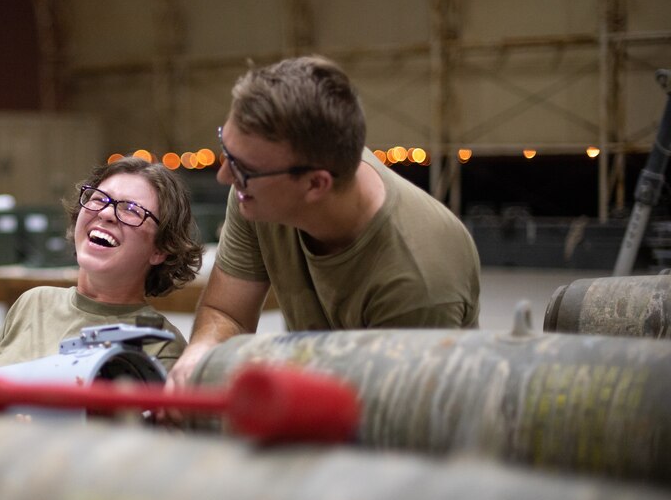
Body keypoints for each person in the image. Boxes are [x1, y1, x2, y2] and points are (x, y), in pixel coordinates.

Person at [167, 55, 481, 389]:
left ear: (316, 184)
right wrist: (200, 353)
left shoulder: (416, 276)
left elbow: (391, 417)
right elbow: (226, 313)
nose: (224, 176)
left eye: (242, 168)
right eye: (226, 151)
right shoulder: (258, 191)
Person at [0, 157, 204, 371]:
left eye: (131, 210)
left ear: (161, 249)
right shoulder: (33, 303)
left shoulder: (160, 344)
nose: (107, 213)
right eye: (99, 199)